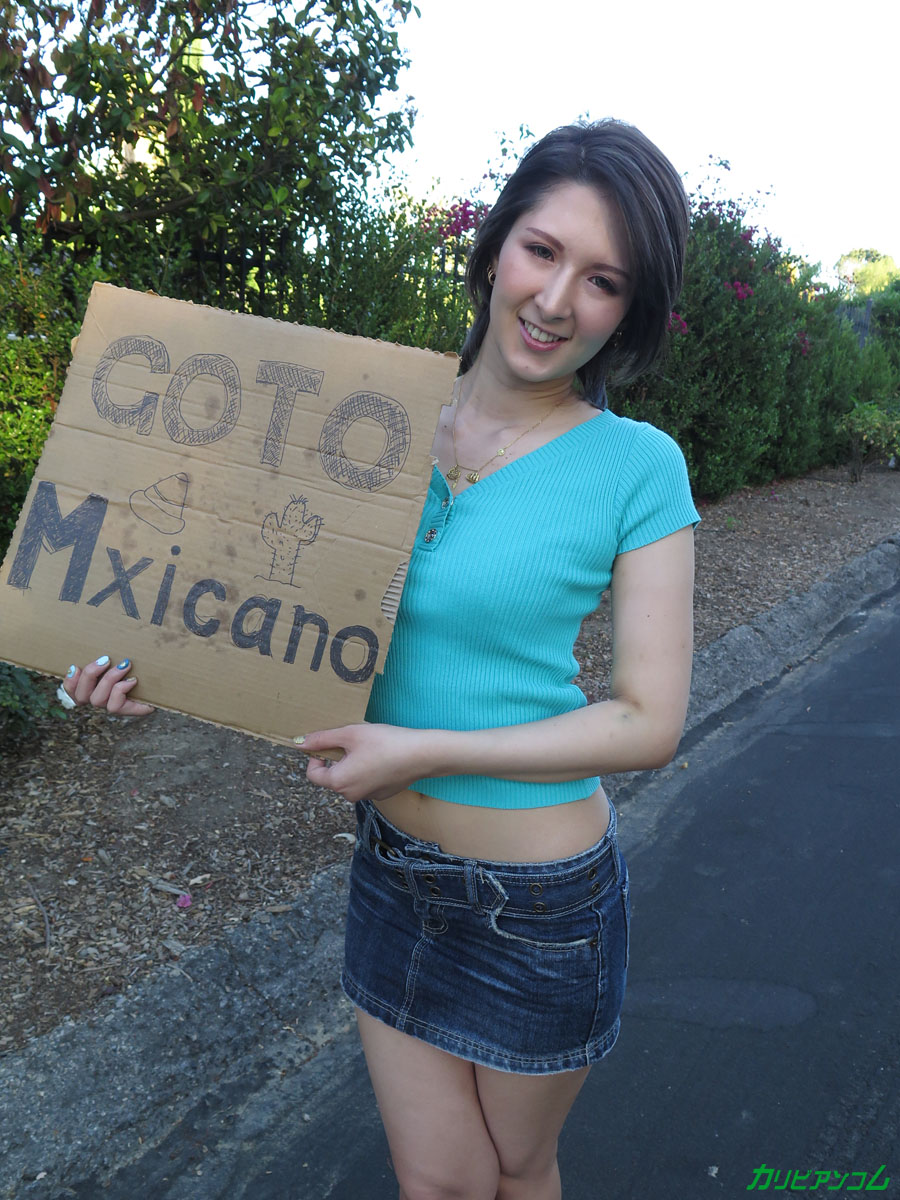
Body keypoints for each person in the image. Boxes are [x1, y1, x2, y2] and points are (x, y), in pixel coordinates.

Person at [62, 120, 700, 1200]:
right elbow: (233, 592)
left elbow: (649, 720)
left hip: (542, 907)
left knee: (517, 1172)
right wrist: (141, 670)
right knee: (439, 1183)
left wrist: (423, 749)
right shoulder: (356, 422)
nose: (556, 301)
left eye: (603, 281)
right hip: (392, 873)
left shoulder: (638, 466)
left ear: (627, 310)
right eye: (542, 251)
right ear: (495, 248)